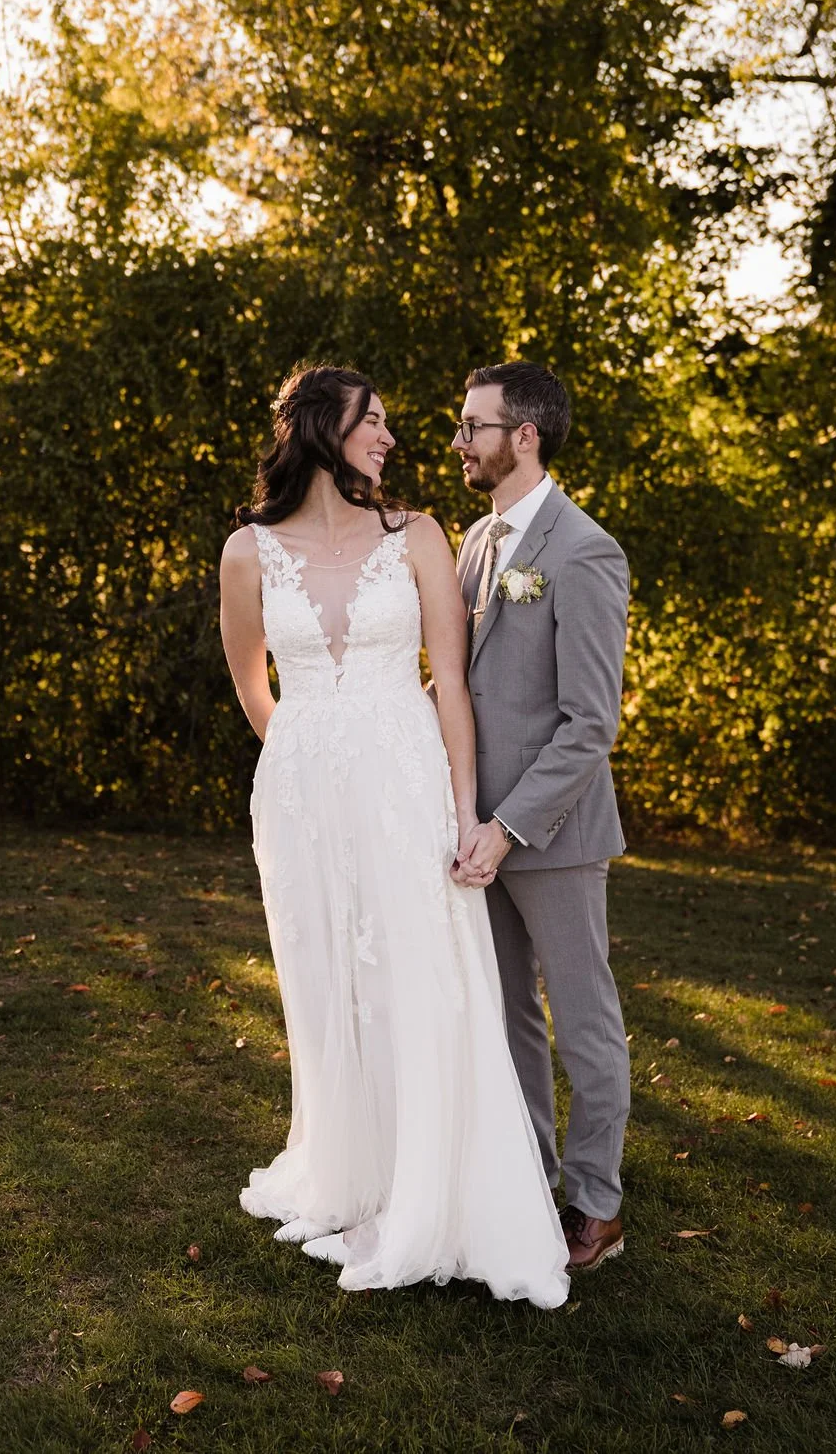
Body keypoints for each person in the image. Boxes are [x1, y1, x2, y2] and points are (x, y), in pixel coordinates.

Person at [219, 362, 569, 1305]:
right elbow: (253, 684)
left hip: (407, 786)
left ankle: (433, 1186)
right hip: (300, 803)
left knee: (418, 975)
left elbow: (451, 685)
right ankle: (351, 1167)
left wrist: (464, 811)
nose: (389, 437)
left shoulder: (415, 535)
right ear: (322, 430)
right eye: (372, 421)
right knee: (329, 978)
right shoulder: (247, 551)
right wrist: (302, 750)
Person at [453, 361, 631, 1271]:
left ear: (523, 435)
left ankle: (596, 1204)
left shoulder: (584, 550)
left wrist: (510, 826)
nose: (459, 443)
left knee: (583, 1018)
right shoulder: (476, 543)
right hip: (472, 834)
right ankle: (531, 1177)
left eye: (474, 427)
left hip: (551, 836)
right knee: (508, 1014)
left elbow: (589, 723)